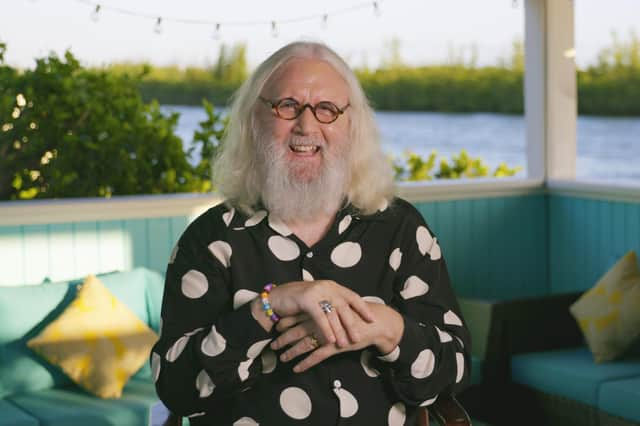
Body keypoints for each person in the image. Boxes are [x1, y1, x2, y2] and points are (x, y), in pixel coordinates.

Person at [151, 41, 471, 426]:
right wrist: (268, 307)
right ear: (255, 120)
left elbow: (453, 371)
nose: (306, 125)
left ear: (352, 126)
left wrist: (384, 327)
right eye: (287, 106)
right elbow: (176, 389)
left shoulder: (400, 230)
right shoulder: (212, 240)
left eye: (327, 109)